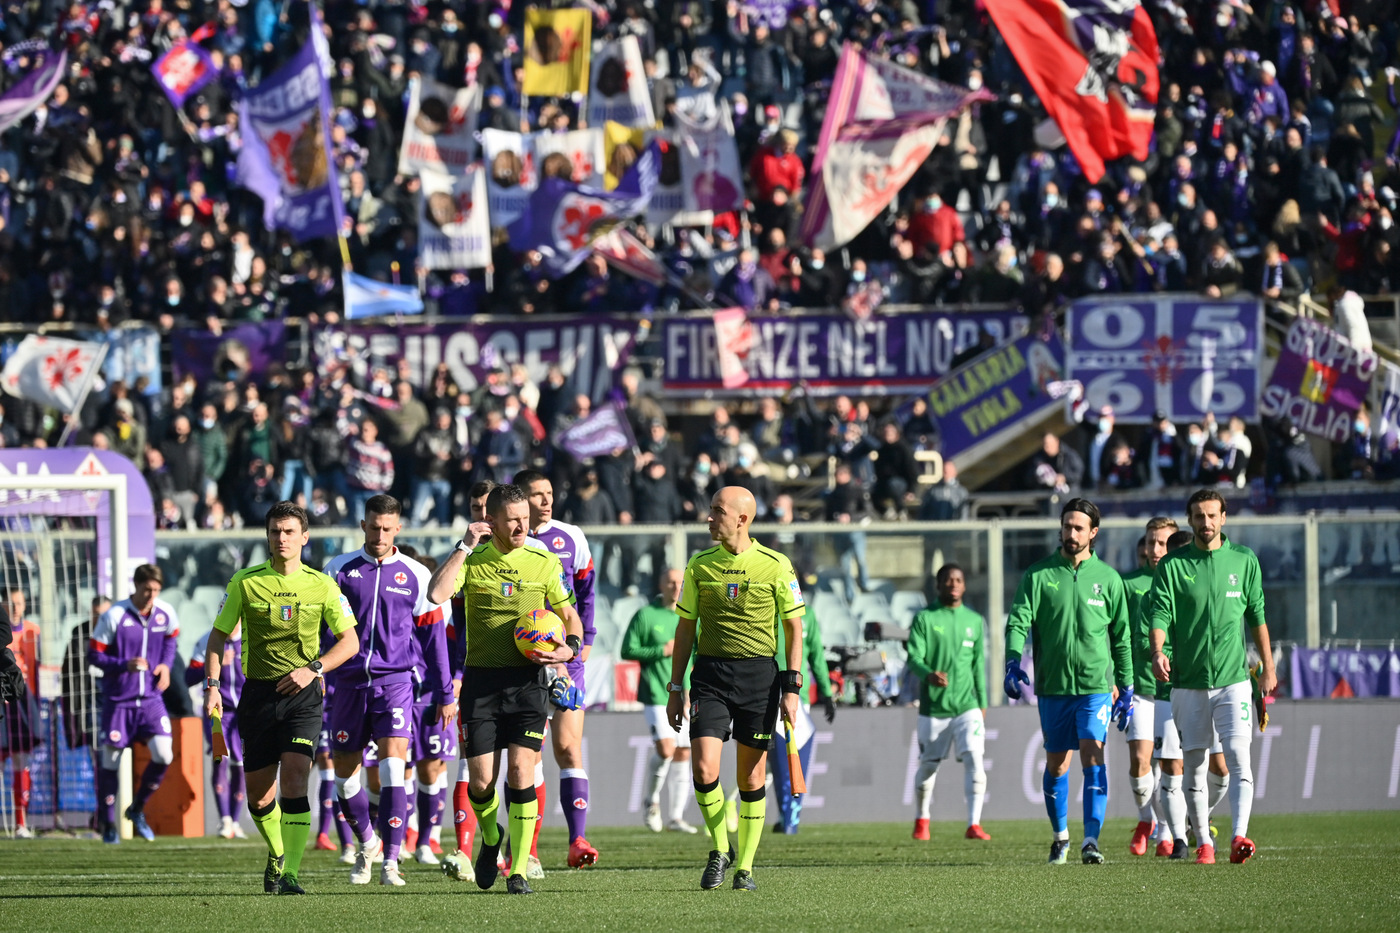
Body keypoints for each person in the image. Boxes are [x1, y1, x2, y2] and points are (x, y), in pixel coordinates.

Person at [426, 483, 583, 895]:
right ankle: (491, 839)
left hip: (528, 682)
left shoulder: (544, 561)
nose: (521, 526)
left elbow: (570, 614)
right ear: (491, 520)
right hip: (480, 682)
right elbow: (436, 593)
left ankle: (517, 869)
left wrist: (572, 646)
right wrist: (463, 545)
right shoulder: (473, 558)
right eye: (512, 519)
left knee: (521, 772)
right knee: (480, 783)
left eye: (525, 519)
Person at [203, 501, 361, 895]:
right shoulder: (245, 581)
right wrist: (212, 686)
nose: (282, 538)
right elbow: (218, 637)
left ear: (304, 537)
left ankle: (291, 872)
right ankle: (276, 853)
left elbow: (350, 642)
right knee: (258, 796)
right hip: (256, 694)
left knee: (295, 776)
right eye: (275, 531)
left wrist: (315, 668)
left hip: (304, 695)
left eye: (290, 531)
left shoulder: (323, 585)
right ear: (268, 536)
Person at [666, 486, 806, 892]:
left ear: (742, 519)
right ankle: (719, 849)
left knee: (750, 777)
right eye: (710, 510)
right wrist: (676, 687)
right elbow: (685, 627)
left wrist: (792, 688)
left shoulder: (776, 565)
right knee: (705, 768)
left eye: (717, 511)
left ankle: (744, 868)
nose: (709, 518)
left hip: (759, 678)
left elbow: (795, 627)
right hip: (709, 676)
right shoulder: (699, 565)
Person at [324, 494, 455, 886]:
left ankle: (392, 860)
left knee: (394, 767)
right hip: (346, 685)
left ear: (398, 528)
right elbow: (317, 630)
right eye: (373, 526)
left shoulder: (415, 574)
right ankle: (368, 844)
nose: (379, 534)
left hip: (395, 684)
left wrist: (446, 693)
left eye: (387, 528)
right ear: (362, 525)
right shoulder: (338, 570)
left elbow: (435, 641)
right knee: (345, 777)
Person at [1150, 489, 1278, 865]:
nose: (1206, 523)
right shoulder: (1173, 566)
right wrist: (1158, 652)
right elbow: (1160, 615)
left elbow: (1257, 617)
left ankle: (1239, 836)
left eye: (1212, 516)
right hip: (1187, 683)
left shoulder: (1243, 560)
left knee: (1239, 755)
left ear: (1223, 518)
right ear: (1190, 520)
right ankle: (1203, 840)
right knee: (1195, 764)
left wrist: (1267, 667)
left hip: (1234, 680)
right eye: (1199, 517)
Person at [1004, 498, 1132, 865]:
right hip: (1053, 687)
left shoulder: (1108, 579)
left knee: (1093, 754)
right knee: (1058, 764)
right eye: (1066, 526)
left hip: (1095, 687)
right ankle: (1060, 837)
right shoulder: (1038, 575)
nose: (1071, 533)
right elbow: (1018, 622)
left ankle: (1090, 841)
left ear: (1093, 533)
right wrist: (1013, 661)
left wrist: (1127, 685)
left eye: (1078, 528)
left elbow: (1121, 637)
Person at [514, 468, 599, 870]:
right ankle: (527, 851)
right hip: (522, 662)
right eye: (536, 494)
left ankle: (577, 839)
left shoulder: (571, 537)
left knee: (567, 747)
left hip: (565, 657)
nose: (546, 500)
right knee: (528, 757)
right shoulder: (506, 542)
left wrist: (582, 646)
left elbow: (586, 593)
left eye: (548, 492)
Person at [87, 567, 180, 844]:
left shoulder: (165, 613)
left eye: (156, 591)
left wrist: (165, 665)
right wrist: (122, 665)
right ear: (135, 586)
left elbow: (171, 640)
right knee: (111, 762)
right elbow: (93, 656)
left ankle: (137, 808)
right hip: (119, 701)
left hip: (151, 700)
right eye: (146, 590)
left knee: (164, 754)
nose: (151, 596)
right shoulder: (114, 615)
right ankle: (108, 823)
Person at [907, 564, 990, 843]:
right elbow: (913, 658)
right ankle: (922, 819)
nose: (954, 584)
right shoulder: (925, 619)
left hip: (967, 705)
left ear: (964, 586)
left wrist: (982, 702)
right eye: (948, 580)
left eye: (959, 579)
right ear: (938, 585)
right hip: (934, 708)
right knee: (929, 766)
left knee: (975, 760)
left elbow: (979, 665)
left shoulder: (975, 620)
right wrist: (928, 675)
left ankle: (974, 824)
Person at [620, 568, 697, 834]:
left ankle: (676, 817)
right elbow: (627, 649)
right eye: (671, 582)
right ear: (661, 585)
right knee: (666, 749)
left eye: (680, 583)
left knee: (683, 752)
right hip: (656, 693)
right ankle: (651, 801)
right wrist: (661, 650)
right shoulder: (646, 615)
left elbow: (696, 654)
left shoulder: (689, 615)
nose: (676, 587)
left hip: (686, 695)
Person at [1119, 518, 1177, 857]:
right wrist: (1117, 679)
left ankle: (1167, 832)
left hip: (1176, 690)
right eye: (1150, 542)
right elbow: (1119, 637)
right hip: (1140, 686)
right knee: (1141, 761)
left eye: (1162, 543)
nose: (1155, 550)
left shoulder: (1182, 581)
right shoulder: (1129, 585)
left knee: (1170, 764)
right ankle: (1147, 820)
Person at [770, 591, 835, 834]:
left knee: (790, 760)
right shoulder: (764, 612)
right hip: (764, 697)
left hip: (797, 698)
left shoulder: (808, 616)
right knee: (764, 765)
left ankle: (789, 819)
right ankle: (735, 804)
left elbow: (816, 654)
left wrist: (826, 692)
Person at [186, 623, 248, 840]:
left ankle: (236, 820)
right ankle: (225, 820)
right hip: (218, 711)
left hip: (247, 712)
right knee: (219, 759)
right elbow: (189, 676)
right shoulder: (208, 640)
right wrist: (213, 665)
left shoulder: (252, 636)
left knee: (241, 765)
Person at [1, 589, 40, 837]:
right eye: (11, 603)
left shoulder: (32, 632)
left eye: (19, 603)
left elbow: (35, 669)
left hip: (21, 704)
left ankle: (20, 822)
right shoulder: (4, 634)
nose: (15, 607)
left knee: (21, 761)